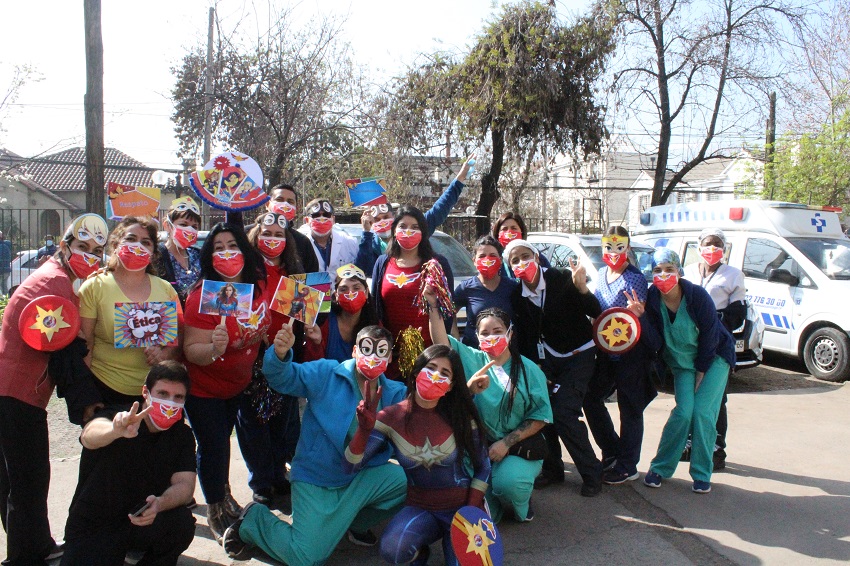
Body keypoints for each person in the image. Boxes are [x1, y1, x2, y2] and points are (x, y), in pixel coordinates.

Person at [220, 325, 409, 565]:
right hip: (317, 478)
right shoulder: (327, 374)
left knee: (409, 481)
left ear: (390, 357)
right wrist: (280, 354)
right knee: (307, 558)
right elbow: (284, 378)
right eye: (366, 348)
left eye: (381, 351)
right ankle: (255, 521)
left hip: (361, 477)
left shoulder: (395, 393)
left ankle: (352, 523)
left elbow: (421, 420)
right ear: (354, 351)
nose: (373, 357)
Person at [0, 213, 107, 566]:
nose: (89, 255)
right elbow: (66, 352)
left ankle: (36, 545)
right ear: (64, 245)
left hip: (13, 389)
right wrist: (87, 402)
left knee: (13, 478)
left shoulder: (55, 277)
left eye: (96, 251)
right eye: (82, 246)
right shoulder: (55, 284)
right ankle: (25, 557)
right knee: (29, 480)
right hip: (18, 392)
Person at [342, 344, 490, 564]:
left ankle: (455, 541)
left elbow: (483, 467)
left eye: (445, 373)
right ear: (416, 372)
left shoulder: (461, 415)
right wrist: (363, 430)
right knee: (393, 550)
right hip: (421, 509)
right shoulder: (390, 418)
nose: (436, 375)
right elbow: (350, 467)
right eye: (431, 367)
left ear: (450, 385)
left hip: (464, 507)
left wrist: (470, 513)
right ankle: (421, 554)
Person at [182, 223, 270, 540]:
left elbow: (264, 328)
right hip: (204, 390)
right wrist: (214, 349)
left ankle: (224, 493)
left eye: (232, 245)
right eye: (218, 248)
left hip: (237, 386)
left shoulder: (254, 289)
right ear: (209, 256)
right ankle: (215, 509)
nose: (227, 252)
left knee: (222, 445)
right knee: (213, 446)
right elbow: (191, 351)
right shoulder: (201, 297)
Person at [60, 361, 196, 565]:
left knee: (182, 523)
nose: (170, 402)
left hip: (140, 519)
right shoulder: (120, 417)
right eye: (162, 393)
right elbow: (89, 435)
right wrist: (115, 431)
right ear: (145, 392)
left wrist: (159, 504)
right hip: (95, 523)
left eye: (178, 397)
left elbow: (185, 486)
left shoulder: (182, 435)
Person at [428, 304, 552, 523]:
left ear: (510, 333)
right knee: (478, 515)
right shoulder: (471, 359)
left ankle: (521, 502)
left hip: (516, 448)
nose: (491, 337)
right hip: (477, 449)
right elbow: (440, 342)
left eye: (497, 331)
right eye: (485, 333)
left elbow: (540, 416)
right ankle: (493, 502)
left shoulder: (529, 370)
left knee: (509, 484)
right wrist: (431, 304)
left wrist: (506, 443)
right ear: (477, 336)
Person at [506, 239, 604, 497]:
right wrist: (538, 368)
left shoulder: (560, 278)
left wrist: (581, 288)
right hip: (548, 357)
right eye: (514, 260)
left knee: (564, 412)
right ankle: (553, 469)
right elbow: (526, 336)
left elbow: (595, 310)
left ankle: (592, 473)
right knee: (543, 409)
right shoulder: (518, 296)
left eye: (525, 256)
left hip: (580, 354)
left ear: (537, 258)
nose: (521, 263)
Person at [640, 249, 735, 494]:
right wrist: (640, 317)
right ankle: (660, 467)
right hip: (682, 363)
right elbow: (655, 341)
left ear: (679, 272)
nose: (663, 275)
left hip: (713, 359)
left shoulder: (697, 296)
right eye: (657, 270)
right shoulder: (652, 298)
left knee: (703, 412)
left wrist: (702, 369)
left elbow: (711, 334)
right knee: (683, 413)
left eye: (669, 269)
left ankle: (702, 473)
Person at [238, 211, 307, 507]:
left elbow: (301, 314)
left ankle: (279, 473)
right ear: (256, 236)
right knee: (254, 423)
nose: (272, 239)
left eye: (279, 235)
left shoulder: (293, 272)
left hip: (284, 356)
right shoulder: (247, 271)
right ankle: (261, 480)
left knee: (283, 417)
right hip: (252, 355)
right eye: (267, 233)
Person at [79, 217, 182, 406]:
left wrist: (164, 354)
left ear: (153, 252)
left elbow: (178, 337)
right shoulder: (94, 287)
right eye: (131, 239)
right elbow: (86, 345)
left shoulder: (166, 290)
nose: (138, 246)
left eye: (145, 242)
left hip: (154, 392)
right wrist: (86, 397)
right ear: (115, 245)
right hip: (105, 389)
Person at [582, 226, 657, 485]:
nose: (613, 252)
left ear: (628, 247)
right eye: (608, 247)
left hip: (631, 355)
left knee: (630, 409)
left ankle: (627, 465)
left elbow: (636, 316)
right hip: (605, 353)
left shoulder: (634, 279)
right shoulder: (602, 274)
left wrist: (637, 313)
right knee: (591, 398)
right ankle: (613, 450)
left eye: (619, 247)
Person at [682, 228, 746, 471]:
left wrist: (712, 322)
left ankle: (716, 448)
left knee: (716, 398)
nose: (712, 249)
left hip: (719, 343)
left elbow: (737, 314)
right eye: (708, 244)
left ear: (724, 248)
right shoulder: (688, 272)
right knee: (690, 394)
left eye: (717, 244)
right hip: (689, 342)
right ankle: (690, 442)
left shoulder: (733, 275)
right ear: (698, 247)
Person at [372, 205, 454, 380]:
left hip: (428, 356)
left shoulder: (436, 264)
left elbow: (447, 312)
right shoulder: (382, 263)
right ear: (394, 231)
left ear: (423, 232)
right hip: (390, 356)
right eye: (403, 226)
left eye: (415, 227)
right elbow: (376, 310)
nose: (408, 231)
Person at [355, 157, 472, 274]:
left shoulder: (412, 231)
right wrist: (366, 234)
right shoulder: (370, 246)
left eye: (386, 217)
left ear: (394, 217)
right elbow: (363, 271)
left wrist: (460, 179)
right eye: (377, 220)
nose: (382, 222)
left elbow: (440, 208)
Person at [304, 263, 379, 363]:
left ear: (366, 293)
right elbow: (311, 366)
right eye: (344, 289)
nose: (350, 293)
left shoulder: (374, 325)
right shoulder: (323, 321)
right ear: (336, 295)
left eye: (356, 288)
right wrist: (316, 343)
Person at [454, 235, 518, 348]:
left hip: (507, 351)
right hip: (474, 352)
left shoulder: (513, 287)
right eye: (482, 256)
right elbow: (449, 313)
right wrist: (456, 339)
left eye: (492, 255)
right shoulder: (466, 288)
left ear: (500, 260)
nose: (487, 260)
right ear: (474, 261)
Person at [154, 196, 202, 305]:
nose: (189, 230)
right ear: (167, 225)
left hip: (195, 314)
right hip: (169, 314)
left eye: (194, 226)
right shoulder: (156, 256)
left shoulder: (199, 255)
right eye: (183, 224)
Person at [265, 184, 319, 274]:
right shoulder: (249, 234)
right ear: (267, 204)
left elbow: (311, 276)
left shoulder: (302, 241)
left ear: (296, 208)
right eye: (279, 200)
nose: (285, 205)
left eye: (290, 202)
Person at [298, 198, 359, 274]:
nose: (322, 219)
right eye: (316, 215)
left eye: (326, 215)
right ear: (307, 220)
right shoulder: (299, 245)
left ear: (333, 219)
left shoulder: (349, 243)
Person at [490, 212, 550, 279]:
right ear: (497, 234)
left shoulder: (534, 254)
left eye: (514, 228)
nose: (509, 233)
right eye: (504, 229)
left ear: (522, 231)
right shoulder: (493, 258)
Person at [0, 230, 12, 295]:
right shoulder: (7, 245)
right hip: (7, 270)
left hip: (1, 270)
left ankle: (2, 300)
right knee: (4, 287)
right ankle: (6, 299)